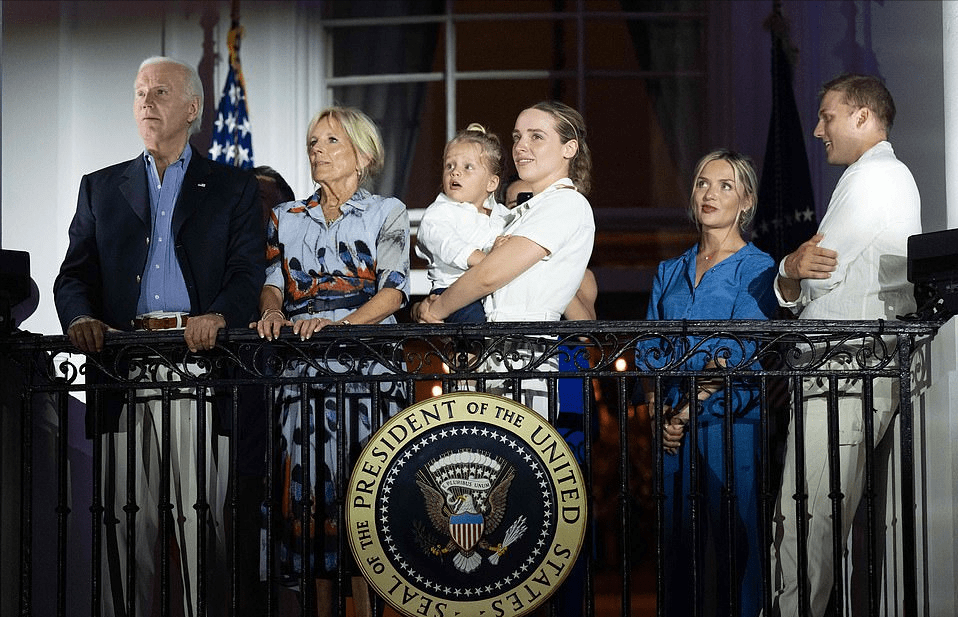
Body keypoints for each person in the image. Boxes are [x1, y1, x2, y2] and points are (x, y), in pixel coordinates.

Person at [53, 56, 263, 617]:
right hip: (120, 371)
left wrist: (219, 315)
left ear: (192, 109)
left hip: (199, 370)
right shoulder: (99, 187)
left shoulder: (233, 188)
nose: (146, 102)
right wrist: (78, 320)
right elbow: (73, 274)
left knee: (200, 530)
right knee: (124, 531)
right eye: (140, 91)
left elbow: (247, 274)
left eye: (160, 92)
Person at [767, 75, 921, 617]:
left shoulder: (875, 177)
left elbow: (818, 272)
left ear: (861, 116)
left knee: (807, 516)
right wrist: (793, 270)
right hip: (847, 374)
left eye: (827, 115)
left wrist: (790, 268)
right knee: (817, 518)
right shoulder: (877, 175)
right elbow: (807, 274)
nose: (816, 129)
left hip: (844, 376)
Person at [251, 106, 409, 616]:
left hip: (369, 373)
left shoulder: (388, 213)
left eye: (331, 141)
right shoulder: (286, 217)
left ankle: (368, 608)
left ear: (362, 155)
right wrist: (273, 313)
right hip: (302, 375)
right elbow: (273, 285)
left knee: (364, 502)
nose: (316, 150)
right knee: (309, 504)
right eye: (312, 142)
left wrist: (338, 329)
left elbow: (392, 294)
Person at [637, 150, 777, 616]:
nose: (709, 194)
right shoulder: (670, 270)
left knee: (736, 542)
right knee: (676, 548)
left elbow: (741, 350)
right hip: (672, 432)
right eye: (702, 183)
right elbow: (649, 350)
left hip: (731, 423)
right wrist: (660, 413)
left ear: (746, 201)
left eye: (724, 186)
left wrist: (684, 411)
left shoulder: (757, 268)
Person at [413, 101, 595, 416]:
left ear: (569, 148)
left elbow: (488, 275)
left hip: (524, 360)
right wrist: (425, 309)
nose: (521, 146)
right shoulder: (519, 214)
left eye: (536, 136)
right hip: (484, 358)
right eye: (517, 137)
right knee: (471, 462)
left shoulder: (566, 204)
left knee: (513, 459)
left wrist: (437, 309)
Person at [415, 123, 508, 323]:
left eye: (468, 167)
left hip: (492, 291)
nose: (455, 172)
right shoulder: (438, 214)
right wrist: (491, 261)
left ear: (491, 183)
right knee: (474, 326)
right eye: (450, 166)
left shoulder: (503, 215)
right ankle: (473, 353)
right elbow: (450, 246)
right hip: (452, 292)